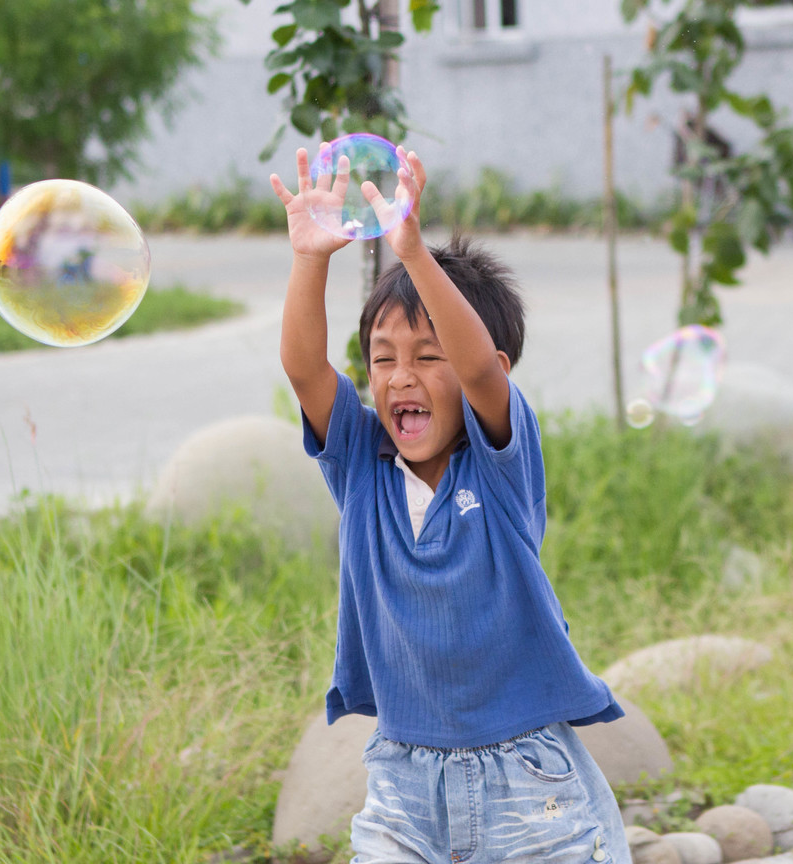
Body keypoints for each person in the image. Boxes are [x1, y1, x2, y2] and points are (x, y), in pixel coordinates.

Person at [271, 143, 632, 864]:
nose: (401, 377)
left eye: (427, 357)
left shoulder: (501, 468)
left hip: (528, 781)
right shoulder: (361, 463)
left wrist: (410, 251)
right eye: (382, 358)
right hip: (404, 782)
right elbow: (305, 367)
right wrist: (311, 259)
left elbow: (477, 366)